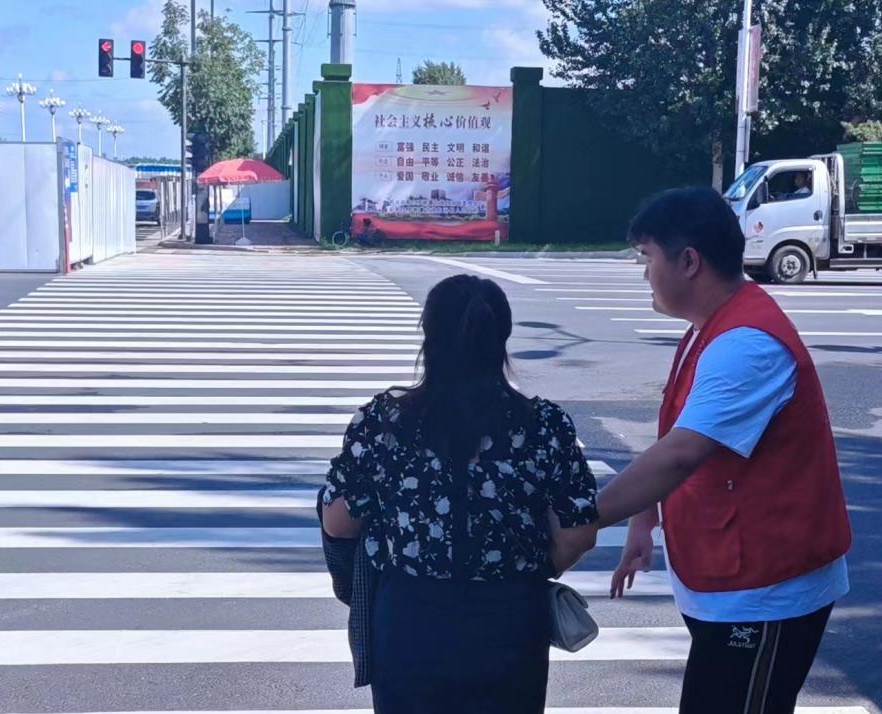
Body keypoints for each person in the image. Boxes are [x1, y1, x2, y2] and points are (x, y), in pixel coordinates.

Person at [595, 187, 851, 714]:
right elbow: (680, 431)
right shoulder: (711, 326)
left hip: (766, 592)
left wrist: (583, 521)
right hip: (730, 578)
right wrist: (643, 518)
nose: (644, 274)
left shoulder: (746, 343)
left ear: (689, 262)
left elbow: (682, 453)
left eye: (647, 258)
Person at [320, 274, 600, 714]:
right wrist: (527, 567)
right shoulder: (543, 426)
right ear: (502, 339)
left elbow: (339, 523)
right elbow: (577, 534)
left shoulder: (384, 423)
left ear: (428, 337)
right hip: (510, 619)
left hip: (410, 621)